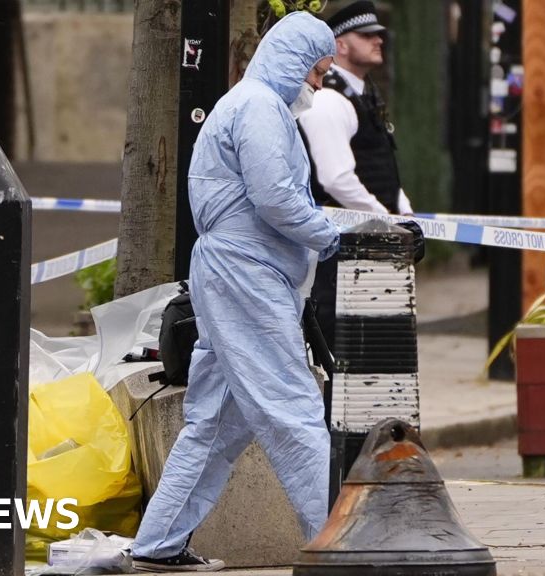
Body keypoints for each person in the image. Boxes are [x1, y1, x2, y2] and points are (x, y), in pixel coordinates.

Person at [130, 12, 341, 573]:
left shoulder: (253, 106)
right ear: (295, 61)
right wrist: (331, 235)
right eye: (318, 72)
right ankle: (340, 544)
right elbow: (274, 198)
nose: (319, 85)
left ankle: (157, 545)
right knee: (292, 408)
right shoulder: (260, 109)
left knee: (216, 422)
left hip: (236, 275)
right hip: (247, 277)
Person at [297, 0, 415, 347]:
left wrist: (402, 210)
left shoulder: (364, 93)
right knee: (347, 352)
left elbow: (381, 163)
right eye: (365, 35)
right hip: (342, 249)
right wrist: (388, 221)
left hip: (369, 240)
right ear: (340, 45)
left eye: (378, 35)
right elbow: (336, 179)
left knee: (379, 353)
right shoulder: (329, 98)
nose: (378, 41)